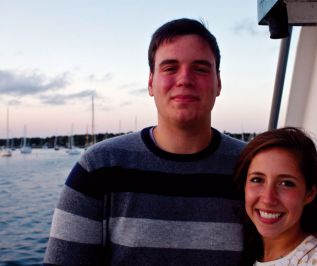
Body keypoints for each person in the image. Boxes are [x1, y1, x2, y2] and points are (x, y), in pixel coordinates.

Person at [44, 18, 246, 265]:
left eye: (201, 69)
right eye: (170, 68)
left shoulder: (251, 169)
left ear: (219, 83)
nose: (184, 79)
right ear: (151, 83)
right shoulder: (98, 168)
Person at [234, 127, 317, 266]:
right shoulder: (241, 251)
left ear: (309, 193)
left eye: (286, 183)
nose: (268, 199)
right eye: (257, 180)